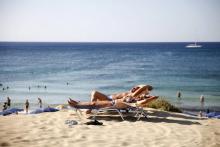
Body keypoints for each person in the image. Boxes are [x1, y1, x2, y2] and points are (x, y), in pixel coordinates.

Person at [69, 85, 158, 113]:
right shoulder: (131, 96)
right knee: (94, 103)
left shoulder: (133, 98)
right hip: (113, 102)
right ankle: (78, 104)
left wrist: (150, 96)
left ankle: (77, 105)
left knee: (94, 104)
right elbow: (141, 93)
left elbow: (144, 98)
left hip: (113, 104)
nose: (136, 88)